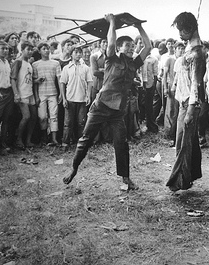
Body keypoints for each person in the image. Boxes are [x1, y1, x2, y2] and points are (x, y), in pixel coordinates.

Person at [63, 13, 152, 190]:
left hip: (117, 112)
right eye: (127, 46)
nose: (131, 48)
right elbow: (110, 43)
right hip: (100, 106)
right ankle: (73, 168)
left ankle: (126, 179)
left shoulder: (134, 64)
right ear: (119, 47)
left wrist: (139, 27)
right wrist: (112, 22)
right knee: (86, 139)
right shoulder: (112, 58)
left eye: (132, 46)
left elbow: (148, 46)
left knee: (121, 144)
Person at [166, 12, 206, 192]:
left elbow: (196, 84)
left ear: (190, 29)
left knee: (182, 142)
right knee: (188, 141)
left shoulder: (197, 54)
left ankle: (179, 181)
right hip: (184, 101)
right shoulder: (190, 49)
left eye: (182, 31)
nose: (179, 35)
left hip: (190, 103)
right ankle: (189, 177)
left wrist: (190, 110)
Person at [59, 46, 93, 148]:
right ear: (71, 54)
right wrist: (64, 98)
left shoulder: (85, 68)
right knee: (68, 123)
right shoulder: (66, 68)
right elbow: (62, 83)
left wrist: (88, 96)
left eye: (80, 52)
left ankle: (80, 142)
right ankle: (65, 142)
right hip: (70, 99)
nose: (78, 54)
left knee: (81, 122)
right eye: (76, 52)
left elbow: (90, 82)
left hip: (82, 99)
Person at [32, 41, 62, 146]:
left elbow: (59, 79)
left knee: (54, 116)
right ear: (39, 51)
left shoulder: (55, 63)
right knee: (42, 117)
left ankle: (54, 139)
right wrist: (36, 96)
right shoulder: (35, 64)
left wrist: (61, 93)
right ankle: (44, 137)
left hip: (53, 92)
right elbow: (34, 82)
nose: (46, 51)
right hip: (41, 94)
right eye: (44, 49)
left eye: (48, 48)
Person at [11, 41, 37, 149]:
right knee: (26, 116)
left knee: (34, 117)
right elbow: (13, 79)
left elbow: (29, 79)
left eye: (32, 50)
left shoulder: (29, 63)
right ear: (22, 50)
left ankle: (28, 140)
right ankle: (18, 140)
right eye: (28, 49)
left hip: (30, 93)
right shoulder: (18, 62)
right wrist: (16, 94)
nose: (30, 52)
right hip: (21, 94)